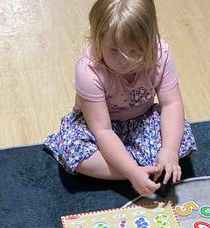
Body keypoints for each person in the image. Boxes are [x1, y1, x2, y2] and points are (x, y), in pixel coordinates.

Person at [44, 0, 196, 196]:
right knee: (73, 150)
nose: (125, 60)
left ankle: (140, 168)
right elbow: (102, 130)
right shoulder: (89, 69)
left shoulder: (160, 54)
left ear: (150, 39)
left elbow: (171, 103)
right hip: (98, 127)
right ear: (97, 39)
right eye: (114, 50)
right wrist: (131, 172)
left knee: (181, 137)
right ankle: (140, 170)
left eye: (134, 50)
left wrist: (169, 150)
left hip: (142, 121)